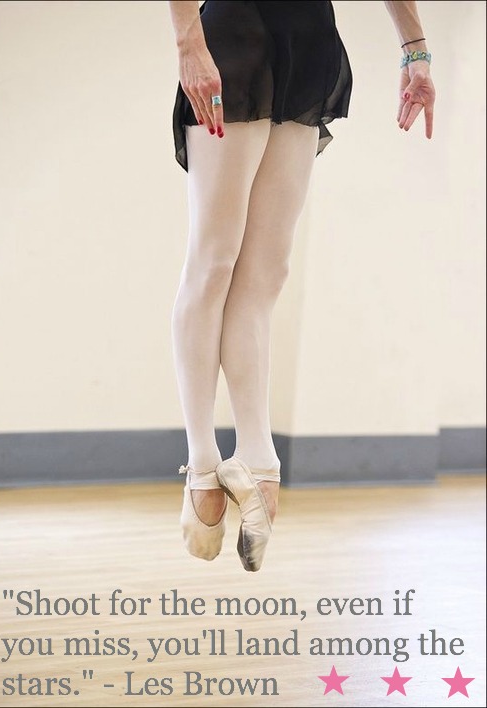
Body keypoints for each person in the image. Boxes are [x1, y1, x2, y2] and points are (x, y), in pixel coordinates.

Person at [168, 0, 435, 572]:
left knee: (267, 270)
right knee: (214, 263)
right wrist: (188, 42)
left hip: (309, 35)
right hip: (232, 33)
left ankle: (258, 459)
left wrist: (415, 51)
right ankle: (202, 462)